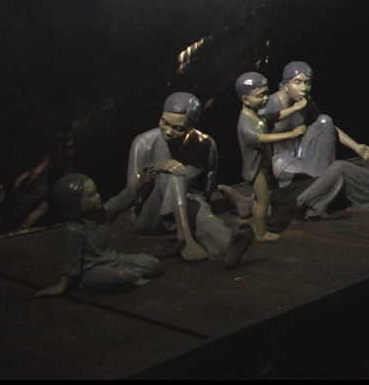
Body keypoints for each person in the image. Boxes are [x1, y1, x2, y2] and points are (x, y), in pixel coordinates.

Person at [127, 92, 246, 263]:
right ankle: (185, 240)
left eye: (178, 128)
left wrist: (200, 211)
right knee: (174, 172)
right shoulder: (143, 143)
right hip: (150, 214)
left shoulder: (205, 144)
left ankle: (228, 246)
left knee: (205, 216)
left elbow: (206, 190)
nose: (168, 132)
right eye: (164, 123)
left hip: (184, 207)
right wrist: (158, 169)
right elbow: (132, 195)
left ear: (192, 126)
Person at [34, 172, 164, 296]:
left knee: (153, 264)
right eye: (91, 195)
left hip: (115, 260)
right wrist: (63, 285)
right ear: (74, 202)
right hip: (92, 270)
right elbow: (71, 261)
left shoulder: (103, 214)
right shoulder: (74, 229)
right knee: (124, 276)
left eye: (96, 192)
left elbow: (121, 200)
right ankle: (126, 275)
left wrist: (140, 182)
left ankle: (129, 274)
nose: (98, 196)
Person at [262, 62, 369, 187]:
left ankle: (324, 178)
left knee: (325, 120)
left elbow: (327, 127)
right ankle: (324, 179)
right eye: (297, 82)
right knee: (295, 169)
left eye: (308, 83)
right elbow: (256, 138)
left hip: (303, 153)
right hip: (281, 160)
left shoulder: (305, 100)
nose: (303, 88)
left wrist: (357, 147)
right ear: (286, 85)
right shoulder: (270, 104)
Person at [222, 72, 307, 242]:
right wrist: (291, 134)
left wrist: (294, 109)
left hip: (262, 167)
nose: (266, 99)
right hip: (255, 171)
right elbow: (262, 138)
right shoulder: (245, 124)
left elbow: (273, 117)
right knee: (263, 200)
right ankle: (261, 233)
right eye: (260, 96)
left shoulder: (255, 116)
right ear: (246, 100)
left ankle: (257, 225)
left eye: (266, 93)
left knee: (258, 200)